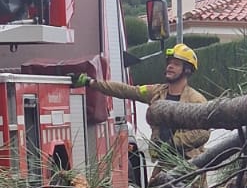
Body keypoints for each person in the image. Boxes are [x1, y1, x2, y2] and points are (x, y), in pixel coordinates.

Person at [74, 43, 209, 167]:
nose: (170, 66)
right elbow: (126, 90)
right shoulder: (156, 92)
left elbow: (203, 132)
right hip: (164, 163)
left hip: (189, 166)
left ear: (187, 70)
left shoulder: (196, 101)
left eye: (176, 64)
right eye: (169, 63)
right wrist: (91, 82)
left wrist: (173, 143)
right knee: (154, 187)